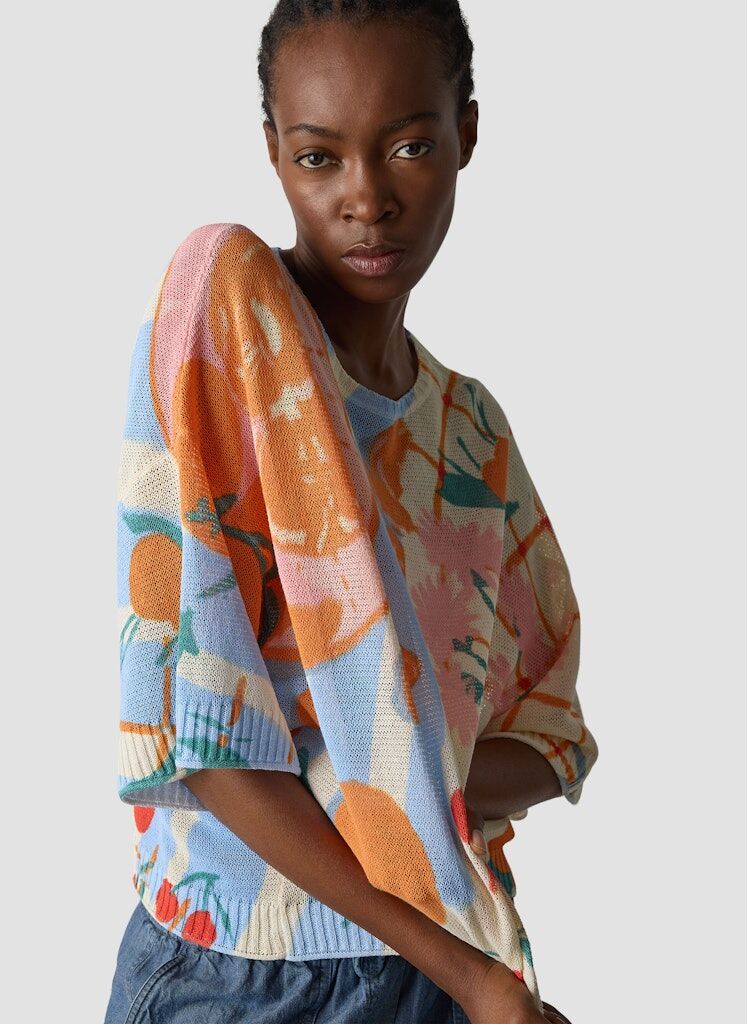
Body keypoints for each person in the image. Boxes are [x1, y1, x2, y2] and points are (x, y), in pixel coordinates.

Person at [105, 2, 598, 1022]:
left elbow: (550, 731)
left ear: (467, 132)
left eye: (409, 145)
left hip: (446, 962)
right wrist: (471, 972)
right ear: (273, 154)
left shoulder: (470, 432)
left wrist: (404, 771)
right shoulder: (229, 314)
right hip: (244, 978)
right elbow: (206, 743)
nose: (366, 198)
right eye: (318, 157)